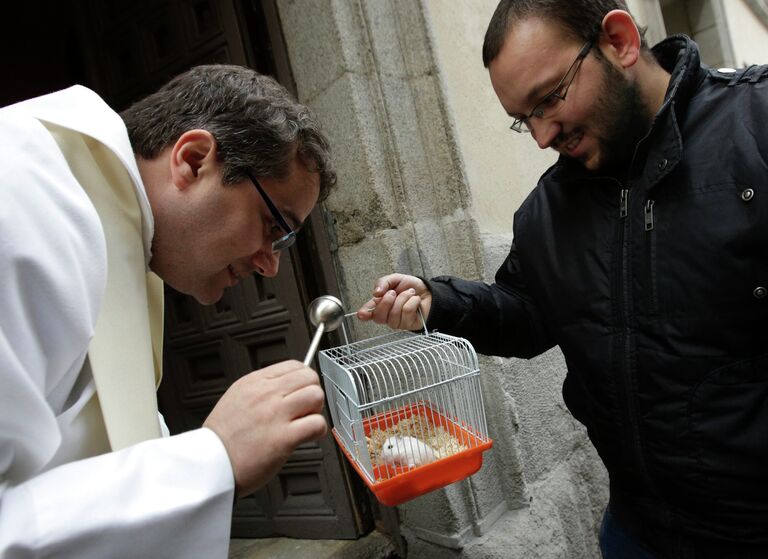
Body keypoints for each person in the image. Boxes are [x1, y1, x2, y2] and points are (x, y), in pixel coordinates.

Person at [358, 1, 768, 557]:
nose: (542, 135)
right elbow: (527, 315)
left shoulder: (757, 124)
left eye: (549, 98)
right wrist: (439, 300)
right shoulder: (544, 213)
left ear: (619, 41)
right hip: (637, 531)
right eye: (523, 118)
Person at [0, 65, 335, 557]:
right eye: (273, 226)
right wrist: (213, 457)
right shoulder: (19, 193)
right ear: (194, 160)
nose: (270, 265)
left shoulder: (129, 245)